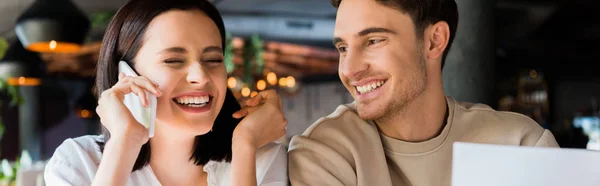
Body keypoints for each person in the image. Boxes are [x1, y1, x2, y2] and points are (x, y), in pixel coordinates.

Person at [288, 0, 559, 185]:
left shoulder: (521, 145)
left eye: (373, 41)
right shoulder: (325, 154)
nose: (349, 69)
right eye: (343, 48)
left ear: (434, 41)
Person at [44, 0, 288, 185]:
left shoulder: (261, 159)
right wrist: (125, 141)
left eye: (213, 59)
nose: (201, 76)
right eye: (173, 60)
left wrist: (244, 145)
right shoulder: (79, 163)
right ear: (126, 75)